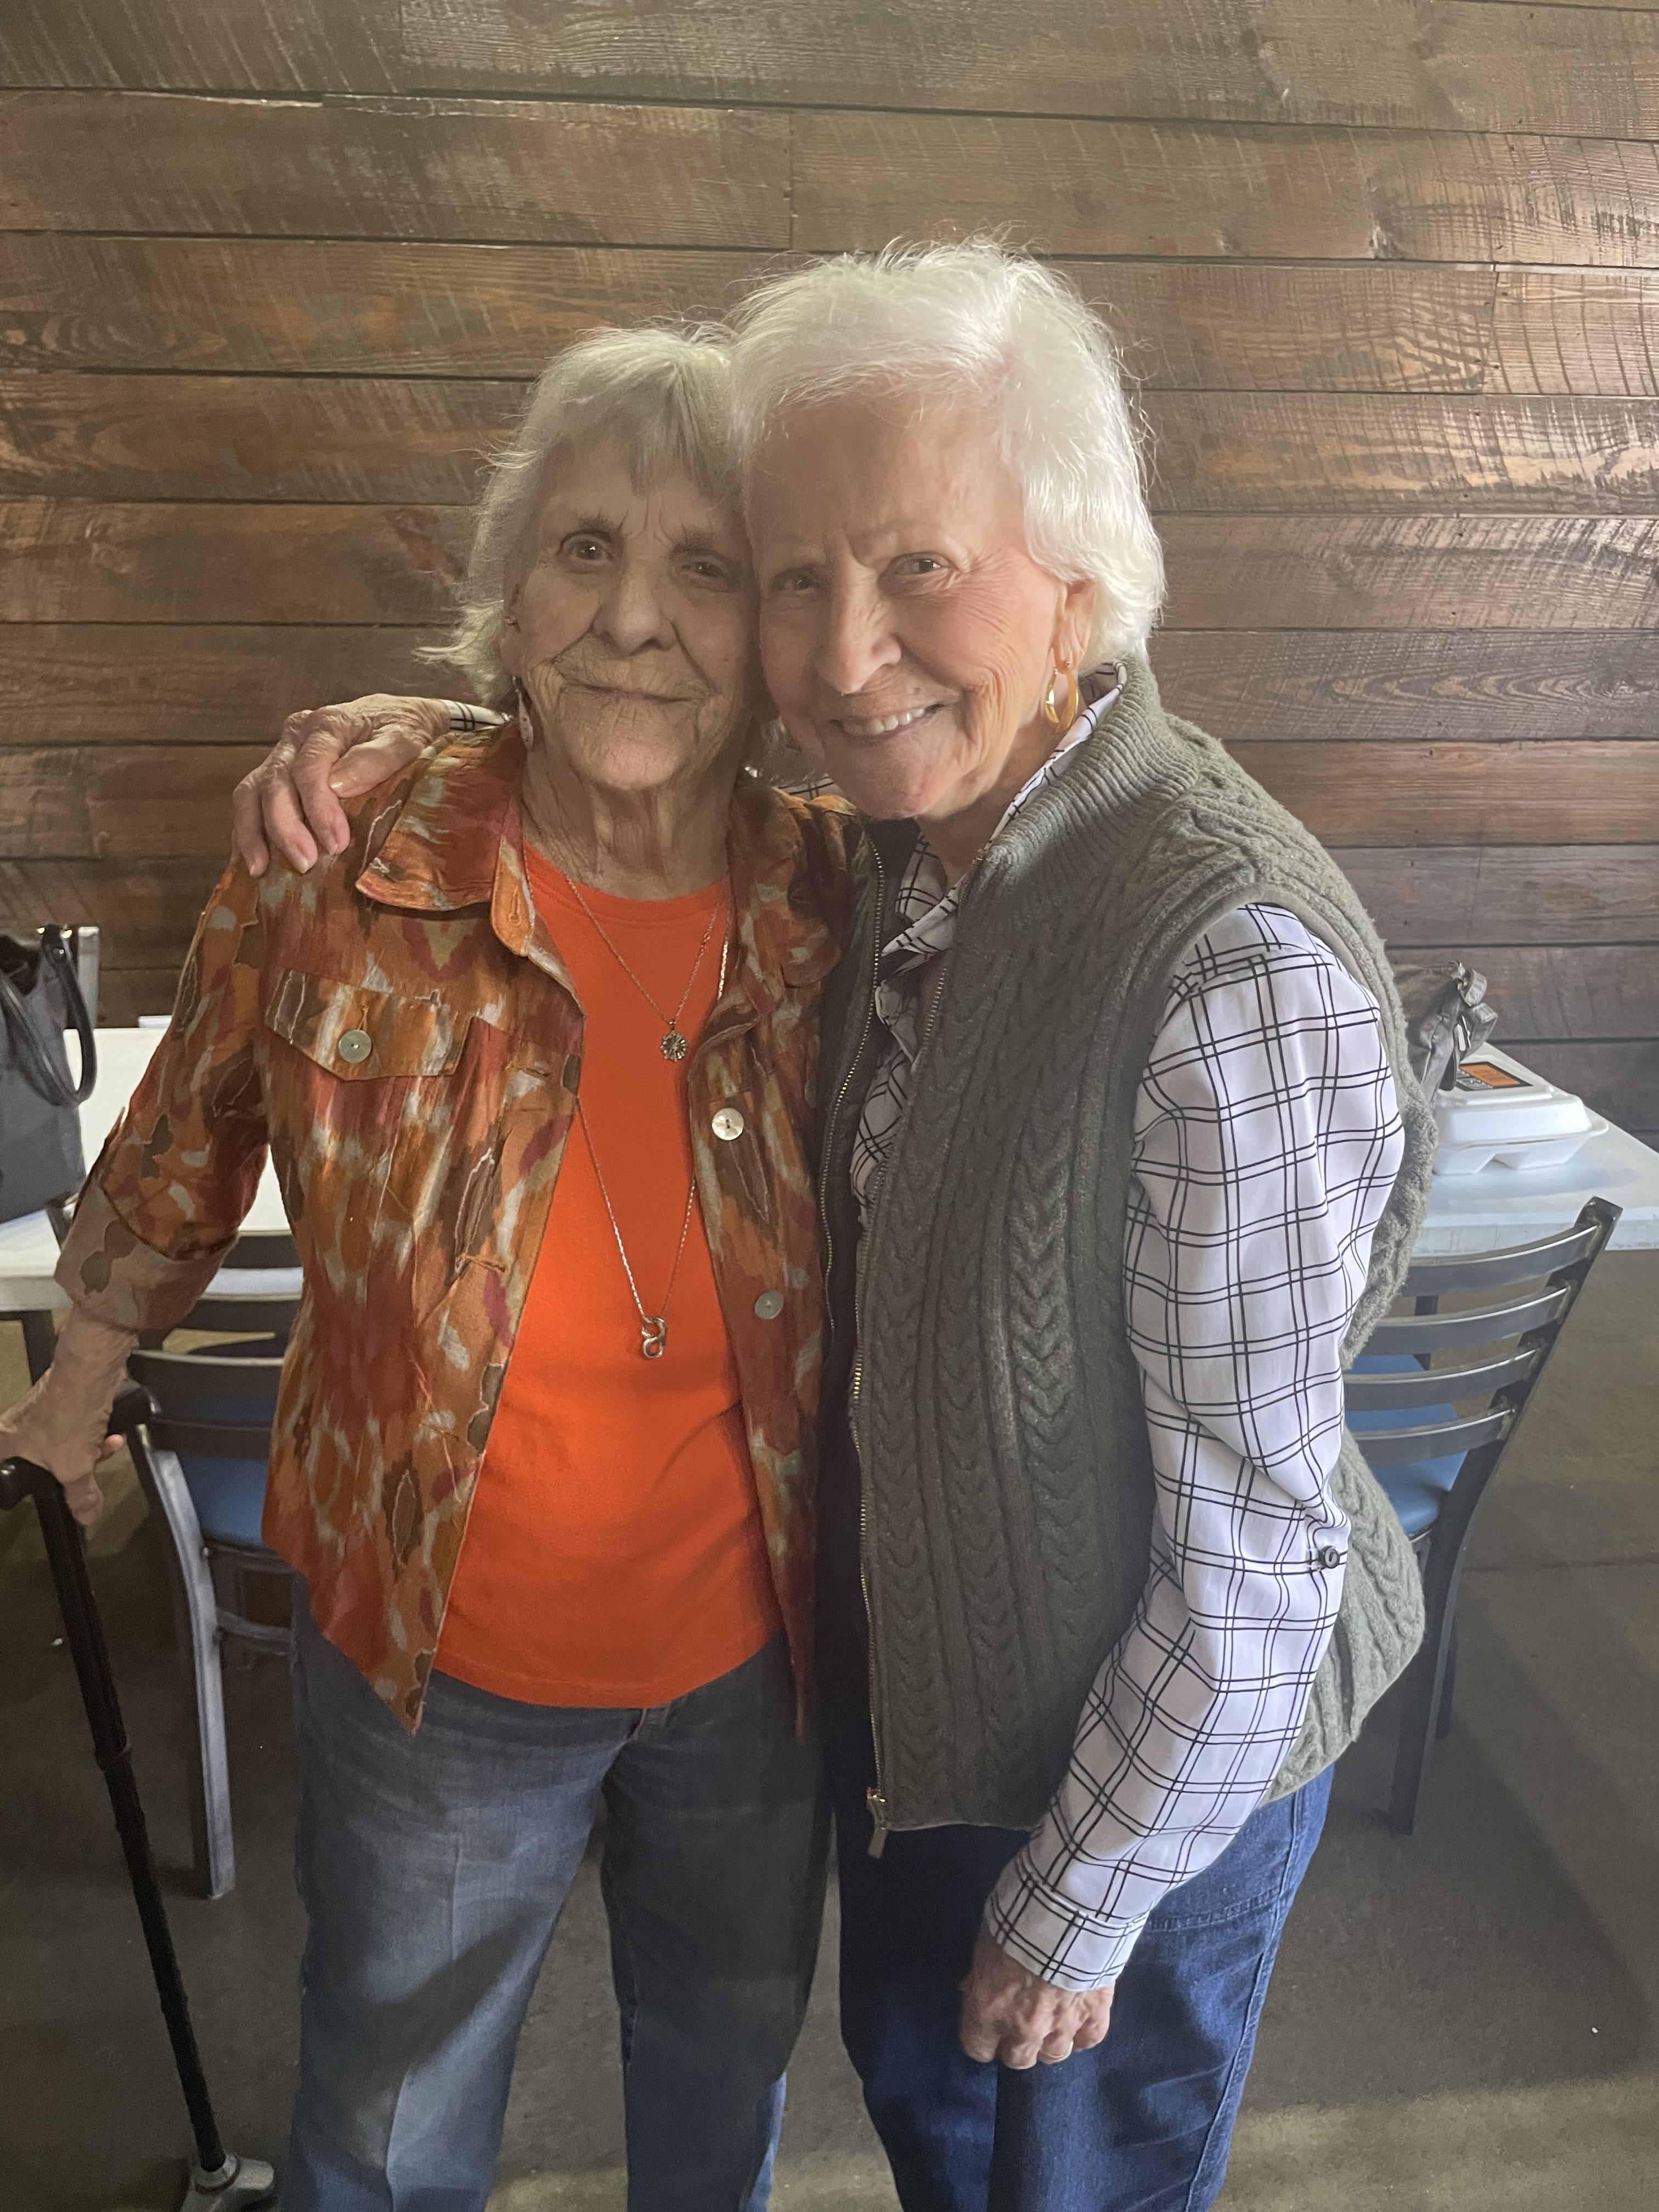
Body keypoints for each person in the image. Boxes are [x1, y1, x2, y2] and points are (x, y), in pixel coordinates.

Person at [233, 241, 1438, 2212]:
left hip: (1143, 1787)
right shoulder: (884, 858)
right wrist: (404, 737)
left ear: (1079, 578)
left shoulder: (1230, 962)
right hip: (919, 1732)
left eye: (917, 568)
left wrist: (1078, 1900)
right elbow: (579, 726)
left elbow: (1258, 1553)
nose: (848, 653)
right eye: (797, 578)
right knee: (927, 2140)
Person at [0, 325, 851, 2212]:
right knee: (389, 2124)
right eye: (584, 548)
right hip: (433, 1668)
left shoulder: (838, 901)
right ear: (509, 592)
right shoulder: (344, 857)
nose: (634, 618)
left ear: (778, 631)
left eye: (706, 567)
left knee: (722, 2077)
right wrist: (75, 1384)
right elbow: (187, 1129)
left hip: (753, 1660)